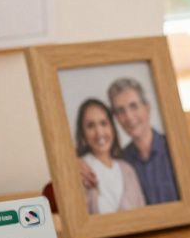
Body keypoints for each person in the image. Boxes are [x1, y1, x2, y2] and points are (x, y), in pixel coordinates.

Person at [81, 77, 180, 206]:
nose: (128, 117)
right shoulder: (121, 162)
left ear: (147, 107)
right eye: (121, 111)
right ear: (116, 118)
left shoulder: (174, 148)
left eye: (133, 106)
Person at [74, 99, 145, 215]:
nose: (99, 132)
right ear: (82, 133)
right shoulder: (80, 170)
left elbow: (144, 215)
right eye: (90, 126)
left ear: (112, 127)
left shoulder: (128, 170)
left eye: (103, 123)